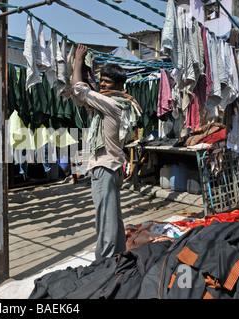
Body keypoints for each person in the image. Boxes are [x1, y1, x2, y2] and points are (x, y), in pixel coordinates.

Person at [70, 44, 141, 259]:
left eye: (107, 81)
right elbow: (90, 91)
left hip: (105, 168)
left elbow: (78, 89)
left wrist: (78, 60)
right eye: (101, 80)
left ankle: (105, 263)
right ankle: (118, 258)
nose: (102, 84)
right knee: (114, 218)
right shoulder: (122, 103)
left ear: (118, 85)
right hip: (114, 167)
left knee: (105, 220)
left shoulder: (110, 104)